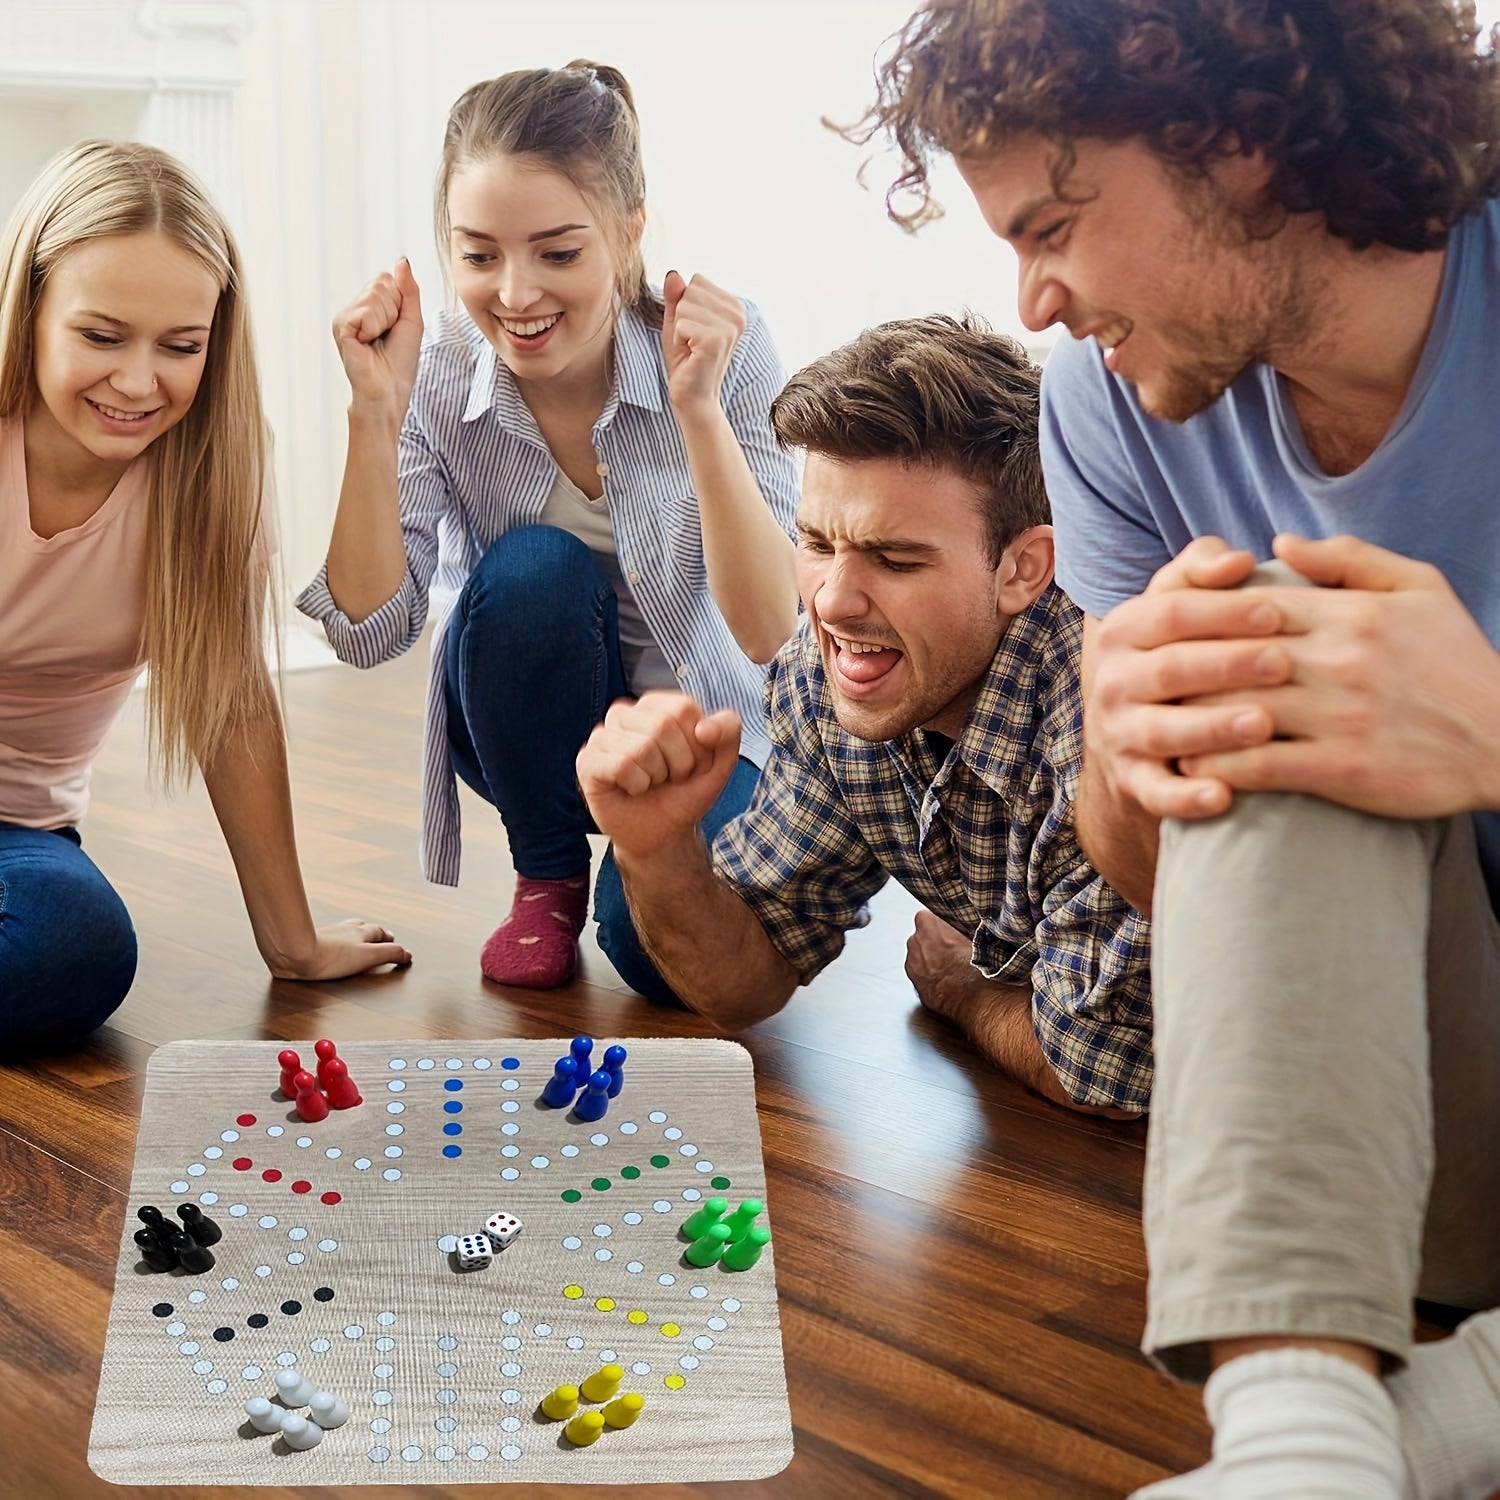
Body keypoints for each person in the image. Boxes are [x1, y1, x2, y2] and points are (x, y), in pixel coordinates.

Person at [852, 1, 1500, 1496]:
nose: (1033, 301)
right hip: (1425, 1129)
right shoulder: (1108, 403)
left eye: (1055, 227)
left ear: (1242, 139)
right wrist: (1127, 758)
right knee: (1253, 662)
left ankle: (1389, 1439)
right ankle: (1295, 1430)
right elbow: (1157, 883)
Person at [298, 62, 799, 995]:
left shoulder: (727, 348)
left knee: (660, 960)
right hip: (528, 727)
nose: (517, 294)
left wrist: (699, 410)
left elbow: (773, 628)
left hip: (705, 725)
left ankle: (632, 872)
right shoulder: (438, 373)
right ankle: (548, 871)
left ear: (629, 232)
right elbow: (368, 634)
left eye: (558, 254)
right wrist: (375, 412)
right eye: (480, 256)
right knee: (532, 568)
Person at [577, 314, 1153, 1115]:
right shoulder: (825, 677)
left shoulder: (1102, 730)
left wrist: (960, 989)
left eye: (894, 559)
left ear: (1024, 569)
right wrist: (657, 848)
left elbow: (1106, 1074)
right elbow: (747, 983)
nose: (832, 603)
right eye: (817, 544)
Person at [0, 140, 409, 1057]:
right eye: (101, 336)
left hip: (19, 838)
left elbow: (230, 702)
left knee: (74, 943)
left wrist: (293, 943)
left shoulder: (214, 468)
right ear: (29, 308)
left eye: (180, 346)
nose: (138, 382)